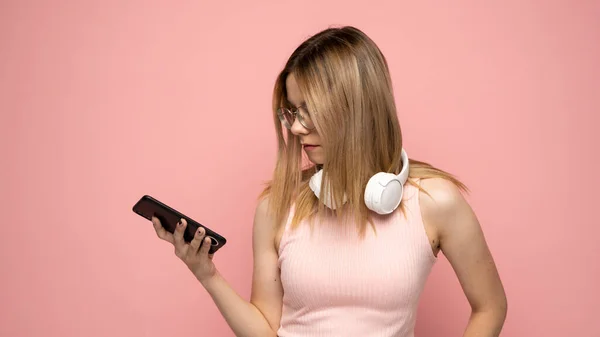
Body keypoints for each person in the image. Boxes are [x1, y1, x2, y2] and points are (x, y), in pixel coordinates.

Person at [151, 25, 507, 337]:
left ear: (357, 106)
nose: (296, 127)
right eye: (293, 111)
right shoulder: (276, 207)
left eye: (310, 110)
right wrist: (206, 274)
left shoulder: (434, 201)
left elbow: (490, 307)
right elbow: (265, 329)